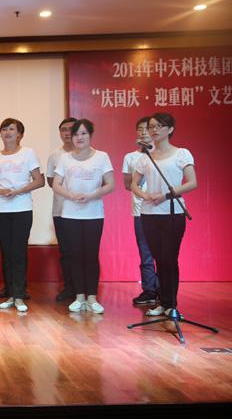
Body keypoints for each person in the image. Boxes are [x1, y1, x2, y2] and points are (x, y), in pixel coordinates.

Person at [131, 112, 197, 317]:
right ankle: (162, 303)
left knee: (169, 259)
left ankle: (171, 305)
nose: (154, 130)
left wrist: (166, 195)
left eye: (159, 126)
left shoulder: (181, 154)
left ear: (170, 129)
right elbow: (133, 184)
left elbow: (192, 182)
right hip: (149, 213)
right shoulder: (145, 157)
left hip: (172, 212)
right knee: (158, 258)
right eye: (151, 126)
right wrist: (145, 195)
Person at [53, 119, 114, 314]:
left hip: (94, 213)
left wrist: (92, 195)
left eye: (83, 133)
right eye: (76, 134)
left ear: (90, 135)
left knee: (91, 255)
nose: (79, 137)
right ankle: (79, 297)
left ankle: (92, 297)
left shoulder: (102, 157)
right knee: (75, 255)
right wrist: (71, 195)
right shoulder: (65, 158)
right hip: (70, 213)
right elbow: (56, 184)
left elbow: (110, 184)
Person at [0, 118, 44, 312]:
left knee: (18, 251)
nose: (7, 132)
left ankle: (19, 294)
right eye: (4, 129)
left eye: (11, 129)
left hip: (21, 208)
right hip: (0, 209)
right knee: (6, 251)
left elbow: (39, 181)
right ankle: (10, 291)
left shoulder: (28, 153)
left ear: (20, 134)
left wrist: (18, 191)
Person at [122, 117, 159, 306]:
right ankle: (149, 290)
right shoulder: (130, 157)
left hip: (162, 210)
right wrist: (141, 184)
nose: (143, 132)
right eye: (140, 129)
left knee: (163, 253)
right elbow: (127, 184)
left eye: (147, 128)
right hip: (140, 211)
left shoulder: (162, 155)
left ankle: (163, 290)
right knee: (145, 253)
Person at [45, 117, 77, 302]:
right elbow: (51, 181)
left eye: (71, 129)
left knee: (83, 251)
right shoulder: (55, 155)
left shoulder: (91, 154)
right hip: (61, 210)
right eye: (64, 129)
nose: (67, 133)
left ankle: (85, 289)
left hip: (84, 211)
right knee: (66, 251)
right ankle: (69, 287)